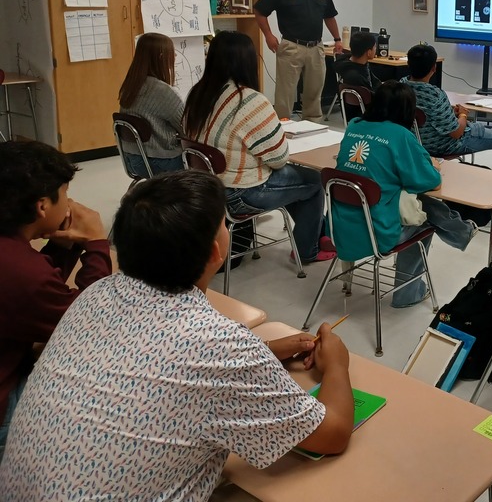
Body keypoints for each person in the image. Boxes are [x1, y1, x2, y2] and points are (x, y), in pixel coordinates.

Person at [0, 171, 354, 500]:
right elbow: (332, 435)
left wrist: (262, 352)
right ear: (216, 252)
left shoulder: (97, 292)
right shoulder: (221, 346)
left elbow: (148, 359)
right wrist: (337, 365)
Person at [0, 140, 111, 461]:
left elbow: (35, 297)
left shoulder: (15, 257)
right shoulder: (20, 271)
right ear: (42, 206)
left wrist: (65, 247)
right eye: (64, 195)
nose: (70, 204)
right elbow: (92, 322)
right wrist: (96, 243)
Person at [182, 31, 331, 264]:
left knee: (295, 182)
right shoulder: (249, 100)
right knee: (312, 181)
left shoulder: (197, 95)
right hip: (239, 193)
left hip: (205, 188)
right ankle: (307, 250)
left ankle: (317, 233)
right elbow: (279, 159)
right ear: (248, 62)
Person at [333, 81, 477, 308]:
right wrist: (431, 165)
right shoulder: (400, 135)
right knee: (424, 216)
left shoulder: (354, 126)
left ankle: (463, 231)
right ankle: (406, 294)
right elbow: (429, 180)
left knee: (420, 204)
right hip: (377, 233)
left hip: (341, 228)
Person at [255, 0, 344, 120]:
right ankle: (282, 127)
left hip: (316, 48)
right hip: (291, 46)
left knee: (315, 90)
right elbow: (259, 11)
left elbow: (329, 16)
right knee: (285, 92)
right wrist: (268, 35)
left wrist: (337, 39)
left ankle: (313, 125)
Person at [403, 44, 492, 158]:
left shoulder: (400, 87)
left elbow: (425, 118)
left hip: (416, 144)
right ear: (434, 68)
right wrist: (463, 115)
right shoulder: (435, 95)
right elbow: (456, 133)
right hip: (449, 145)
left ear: (408, 64)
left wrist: (449, 113)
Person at [117, 32, 186, 176]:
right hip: (160, 163)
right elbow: (187, 127)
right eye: (172, 53)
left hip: (132, 159)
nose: (175, 57)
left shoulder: (131, 85)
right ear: (161, 57)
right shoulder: (163, 91)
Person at [334, 31, 380, 121]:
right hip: (365, 117)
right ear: (369, 52)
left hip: (353, 118)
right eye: (374, 47)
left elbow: (374, 82)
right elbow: (373, 97)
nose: (376, 49)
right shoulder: (355, 76)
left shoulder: (352, 66)